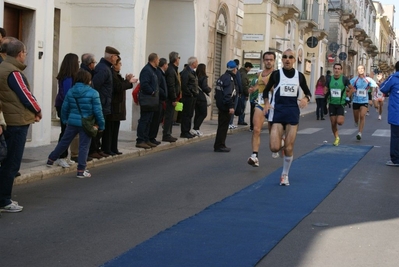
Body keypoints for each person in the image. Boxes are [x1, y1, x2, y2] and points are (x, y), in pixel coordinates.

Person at [0, 38, 42, 212]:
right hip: (16, 122)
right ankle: (4, 200)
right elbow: (26, 95)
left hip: (7, 121)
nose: (25, 55)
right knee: (12, 162)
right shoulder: (14, 72)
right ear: (19, 54)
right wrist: (37, 110)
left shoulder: (2, 68)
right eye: (25, 52)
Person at [262, 49, 311, 186]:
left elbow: (308, 92)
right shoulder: (276, 75)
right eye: (285, 57)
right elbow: (266, 90)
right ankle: (282, 142)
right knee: (274, 147)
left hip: (292, 114)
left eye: (290, 57)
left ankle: (284, 175)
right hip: (277, 112)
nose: (287, 59)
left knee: (289, 148)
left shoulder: (299, 76)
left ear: (295, 60)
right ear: (282, 59)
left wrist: (306, 99)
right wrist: (266, 103)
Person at [47, 70, 105, 178]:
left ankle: (51, 159)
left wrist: (64, 120)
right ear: (88, 80)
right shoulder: (93, 93)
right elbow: (98, 111)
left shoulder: (71, 91)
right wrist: (101, 125)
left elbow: (65, 108)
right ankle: (81, 170)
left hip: (72, 121)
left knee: (64, 142)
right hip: (86, 123)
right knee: (83, 146)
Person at [247, 52, 276, 167]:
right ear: (263, 61)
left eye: (271, 59)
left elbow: (277, 90)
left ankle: (277, 146)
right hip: (261, 103)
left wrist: (268, 84)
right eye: (267, 59)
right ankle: (254, 156)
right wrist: (253, 89)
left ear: (274, 61)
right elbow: (259, 85)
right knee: (256, 129)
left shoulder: (276, 74)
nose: (268, 61)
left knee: (272, 130)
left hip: (273, 104)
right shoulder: (260, 74)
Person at [90, 46, 119, 158]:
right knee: (97, 128)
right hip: (101, 104)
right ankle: (93, 150)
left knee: (101, 129)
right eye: (116, 56)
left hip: (104, 103)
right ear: (112, 57)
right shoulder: (103, 69)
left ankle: (96, 149)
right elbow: (95, 86)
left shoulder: (106, 68)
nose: (117, 59)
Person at [69, 53, 98, 162]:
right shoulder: (82, 74)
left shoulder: (86, 73)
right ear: (90, 64)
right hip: (81, 108)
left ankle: (81, 154)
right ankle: (75, 154)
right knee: (78, 133)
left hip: (83, 107)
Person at [54, 53, 80, 167]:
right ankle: (60, 156)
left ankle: (64, 156)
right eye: (77, 61)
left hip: (66, 106)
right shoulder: (67, 78)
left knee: (69, 132)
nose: (78, 63)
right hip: (65, 107)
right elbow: (66, 94)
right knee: (65, 132)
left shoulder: (70, 77)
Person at [108, 56, 136, 154]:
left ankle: (114, 148)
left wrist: (126, 80)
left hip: (118, 106)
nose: (121, 65)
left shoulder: (117, 74)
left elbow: (120, 85)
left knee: (115, 128)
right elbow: (118, 87)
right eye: (119, 63)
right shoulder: (112, 74)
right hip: (114, 106)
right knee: (110, 129)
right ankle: (109, 148)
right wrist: (128, 82)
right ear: (115, 65)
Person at [324, 63, 354, 146]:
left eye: (338, 69)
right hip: (332, 103)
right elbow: (325, 88)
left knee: (339, 122)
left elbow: (352, 88)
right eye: (335, 68)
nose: (337, 70)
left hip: (340, 103)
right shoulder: (329, 79)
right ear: (333, 70)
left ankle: (338, 119)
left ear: (341, 70)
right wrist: (325, 94)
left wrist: (348, 95)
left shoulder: (344, 79)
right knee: (333, 123)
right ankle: (337, 138)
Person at [136, 53, 160, 149]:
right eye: (158, 60)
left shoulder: (153, 70)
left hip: (152, 100)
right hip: (147, 99)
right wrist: (152, 92)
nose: (159, 61)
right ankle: (140, 140)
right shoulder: (147, 70)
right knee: (144, 120)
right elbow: (144, 84)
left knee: (149, 120)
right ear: (154, 60)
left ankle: (146, 139)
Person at [214, 60, 237, 152]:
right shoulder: (229, 79)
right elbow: (228, 95)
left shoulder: (222, 77)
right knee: (223, 127)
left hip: (220, 105)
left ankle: (218, 144)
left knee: (221, 126)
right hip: (225, 106)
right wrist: (231, 106)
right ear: (234, 69)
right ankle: (220, 145)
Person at [379, 61, 399, 166]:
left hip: (396, 113)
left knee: (396, 137)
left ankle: (395, 160)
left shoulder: (393, 78)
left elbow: (383, 88)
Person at [350, 65, 377, 141]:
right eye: (359, 69)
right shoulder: (354, 79)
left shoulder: (368, 79)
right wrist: (352, 90)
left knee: (362, 115)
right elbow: (348, 86)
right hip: (355, 100)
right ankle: (356, 121)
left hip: (364, 100)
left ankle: (359, 133)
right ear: (357, 70)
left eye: (362, 69)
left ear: (364, 70)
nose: (361, 70)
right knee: (356, 118)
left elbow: (375, 85)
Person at [162, 51, 181, 143]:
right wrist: (173, 98)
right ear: (176, 59)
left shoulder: (174, 69)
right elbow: (171, 85)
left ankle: (168, 133)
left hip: (173, 97)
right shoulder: (170, 70)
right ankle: (166, 134)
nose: (179, 60)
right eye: (179, 58)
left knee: (171, 116)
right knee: (169, 116)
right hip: (170, 98)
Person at [149, 57, 168, 145]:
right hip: (158, 99)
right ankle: (151, 137)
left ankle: (153, 137)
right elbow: (158, 86)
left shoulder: (160, 73)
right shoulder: (159, 73)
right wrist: (163, 93)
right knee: (155, 120)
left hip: (160, 99)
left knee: (157, 120)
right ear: (164, 65)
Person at [180, 56, 199, 138]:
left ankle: (187, 130)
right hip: (188, 97)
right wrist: (190, 94)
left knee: (190, 114)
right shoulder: (186, 72)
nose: (197, 64)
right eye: (196, 62)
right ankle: (184, 132)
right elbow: (184, 85)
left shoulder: (193, 72)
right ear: (193, 63)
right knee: (186, 114)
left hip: (193, 96)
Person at [193, 63, 211, 136]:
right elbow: (205, 87)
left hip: (196, 97)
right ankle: (196, 128)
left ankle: (195, 128)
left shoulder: (195, 76)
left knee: (197, 113)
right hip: (202, 98)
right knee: (203, 113)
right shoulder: (204, 77)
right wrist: (209, 89)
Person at [228, 59, 243, 129]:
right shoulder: (236, 73)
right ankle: (230, 123)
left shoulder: (226, 75)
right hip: (234, 92)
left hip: (230, 93)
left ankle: (229, 122)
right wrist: (240, 92)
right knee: (233, 108)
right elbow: (239, 82)